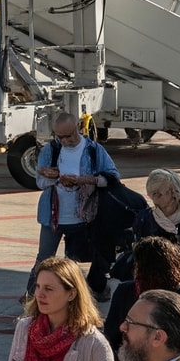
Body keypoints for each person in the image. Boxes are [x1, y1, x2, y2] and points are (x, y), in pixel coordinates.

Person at [34, 112, 121, 298]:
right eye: (61, 137)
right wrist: (54, 179)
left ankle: (80, 295)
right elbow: (39, 182)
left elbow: (112, 178)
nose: (66, 141)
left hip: (83, 216)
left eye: (70, 135)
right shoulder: (51, 150)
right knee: (44, 258)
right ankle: (32, 295)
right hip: (53, 216)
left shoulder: (93, 150)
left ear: (79, 128)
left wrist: (84, 180)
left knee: (74, 261)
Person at [134, 168, 180, 252]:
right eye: (153, 194)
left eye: (159, 193)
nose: (155, 198)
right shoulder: (143, 218)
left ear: (174, 193)